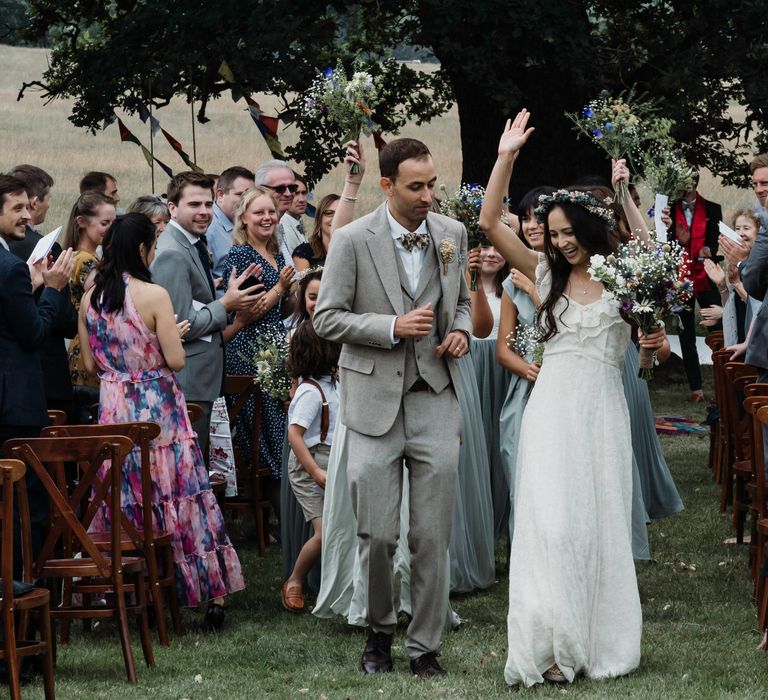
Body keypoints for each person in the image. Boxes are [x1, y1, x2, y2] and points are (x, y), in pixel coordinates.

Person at [479, 110, 641, 686]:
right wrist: (505, 157)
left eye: (571, 234)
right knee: (548, 523)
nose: (563, 243)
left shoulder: (628, 276)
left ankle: (595, 638)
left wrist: (624, 193)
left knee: (595, 522)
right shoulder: (545, 276)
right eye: (556, 234)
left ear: (592, 231)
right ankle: (547, 643)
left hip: (602, 414)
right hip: (550, 413)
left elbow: (645, 244)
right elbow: (490, 221)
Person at [314, 136, 472, 678]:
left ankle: (425, 647)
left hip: (435, 399)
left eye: (432, 184)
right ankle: (379, 632)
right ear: (387, 185)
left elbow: (466, 303)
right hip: (374, 404)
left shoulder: (453, 234)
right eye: (416, 186)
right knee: (377, 534)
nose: (429, 195)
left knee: (432, 535)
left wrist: (460, 334)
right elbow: (326, 318)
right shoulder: (353, 239)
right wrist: (389, 327)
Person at [79, 213, 244, 629]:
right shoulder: (153, 295)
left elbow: (87, 363)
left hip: (114, 408)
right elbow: (175, 359)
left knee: (126, 494)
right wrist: (168, 334)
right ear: (141, 249)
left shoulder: (90, 297)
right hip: (157, 411)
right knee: (180, 490)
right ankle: (203, 590)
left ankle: (132, 590)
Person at [150, 171, 264, 456]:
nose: (204, 212)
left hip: (203, 380)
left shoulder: (193, 243)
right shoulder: (172, 252)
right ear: (172, 208)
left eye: (208, 204)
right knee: (190, 468)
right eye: (194, 205)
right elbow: (180, 325)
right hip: (187, 382)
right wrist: (227, 303)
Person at [0, 174, 75, 577]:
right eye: (17, 208)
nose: (27, 216)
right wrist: (52, 290)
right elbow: (33, 335)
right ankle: (17, 598)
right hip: (14, 404)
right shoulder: (9, 267)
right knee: (21, 507)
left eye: (28, 207)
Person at [221, 186, 295, 515]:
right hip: (253, 352)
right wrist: (280, 287)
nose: (267, 218)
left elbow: (281, 308)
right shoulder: (240, 256)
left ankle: (281, 513)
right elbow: (249, 311)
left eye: (271, 212)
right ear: (244, 219)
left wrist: (292, 291)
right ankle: (265, 515)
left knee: (281, 423)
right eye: (259, 213)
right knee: (266, 430)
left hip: (274, 347)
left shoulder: (275, 253)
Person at [8, 164, 78, 417]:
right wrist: (52, 289)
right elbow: (66, 320)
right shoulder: (46, 249)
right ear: (35, 201)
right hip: (43, 373)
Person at [281, 319, 341, 612]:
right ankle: (295, 580)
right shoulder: (310, 392)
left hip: (334, 461)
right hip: (309, 468)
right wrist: (315, 472)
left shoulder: (335, 383)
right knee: (325, 531)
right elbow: (294, 435)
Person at [665, 171, 723, 402]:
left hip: (705, 275)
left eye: (687, 180)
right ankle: (695, 388)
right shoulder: (668, 208)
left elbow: (713, 240)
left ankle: (726, 380)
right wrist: (679, 241)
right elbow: (664, 243)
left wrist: (707, 249)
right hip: (681, 278)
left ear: (695, 182)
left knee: (717, 328)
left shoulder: (712, 208)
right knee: (685, 331)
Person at [61, 191, 117, 421]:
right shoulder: (86, 261)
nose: (111, 230)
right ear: (82, 222)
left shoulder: (78, 255)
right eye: (105, 223)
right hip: (89, 347)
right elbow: (105, 301)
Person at [206, 166, 255, 290]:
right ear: (220, 195)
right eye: (240, 194)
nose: (247, 201)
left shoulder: (245, 223)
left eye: (250, 195)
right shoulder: (209, 230)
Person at [253, 160, 300, 263]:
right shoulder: (256, 233)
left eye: (292, 188)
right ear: (261, 189)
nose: (288, 194)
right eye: (280, 188)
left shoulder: (279, 226)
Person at [292, 194, 339, 271]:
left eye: (340, 214)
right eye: (329, 213)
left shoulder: (356, 250)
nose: (335, 219)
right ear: (319, 219)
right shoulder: (304, 252)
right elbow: (304, 282)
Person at [281, 175, 310, 252]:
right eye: (296, 193)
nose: (301, 199)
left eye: (304, 193)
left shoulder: (297, 221)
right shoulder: (281, 227)